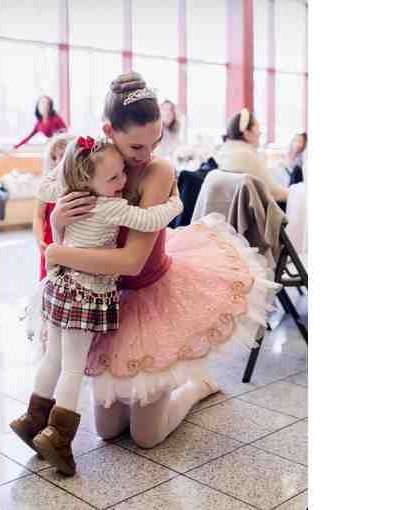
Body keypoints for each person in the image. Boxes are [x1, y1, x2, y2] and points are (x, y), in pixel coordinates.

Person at [40, 72, 280, 451]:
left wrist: (58, 252)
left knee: (146, 436)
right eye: (136, 146)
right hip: (105, 296)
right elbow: (62, 215)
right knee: (107, 431)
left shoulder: (158, 170)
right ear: (109, 131)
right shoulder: (94, 161)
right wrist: (57, 223)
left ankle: (197, 386)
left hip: (152, 291)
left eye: (154, 143)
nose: (146, 154)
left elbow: (132, 262)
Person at [12, 135, 183, 476]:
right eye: (114, 177)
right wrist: (175, 201)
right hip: (85, 294)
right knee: (73, 368)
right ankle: (58, 436)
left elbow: (45, 186)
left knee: (53, 358)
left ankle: (33, 419)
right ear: (89, 180)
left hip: (58, 286)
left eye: (122, 174)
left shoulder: (68, 192)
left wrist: (66, 173)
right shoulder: (110, 206)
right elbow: (150, 220)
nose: (123, 182)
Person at [215, 108, 289, 202]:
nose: (260, 133)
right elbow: (273, 192)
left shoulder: (225, 152)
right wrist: (296, 194)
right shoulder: (245, 155)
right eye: (257, 128)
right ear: (246, 133)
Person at [33, 133, 75, 281]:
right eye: (53, 157)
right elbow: (38, 216)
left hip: (72, 245)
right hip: (50, 244)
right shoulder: (47, 186)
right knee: (49, 282)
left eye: (62, 156)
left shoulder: (79, 186)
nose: (57, 162)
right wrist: (39, 240)